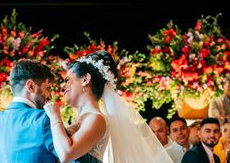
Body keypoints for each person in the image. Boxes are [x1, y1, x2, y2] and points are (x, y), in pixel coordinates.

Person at [43, 51, 174, 163]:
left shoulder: (97, 119)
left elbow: (66, 154)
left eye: (67, 80)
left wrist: (55, 116)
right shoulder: (84, 118)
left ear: (85, 79)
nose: (63, 86)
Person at [0, 58, 57, 163]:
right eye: (48, 88)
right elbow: (72, 157)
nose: (49, 95)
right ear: (31, 86)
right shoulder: (43, 119)